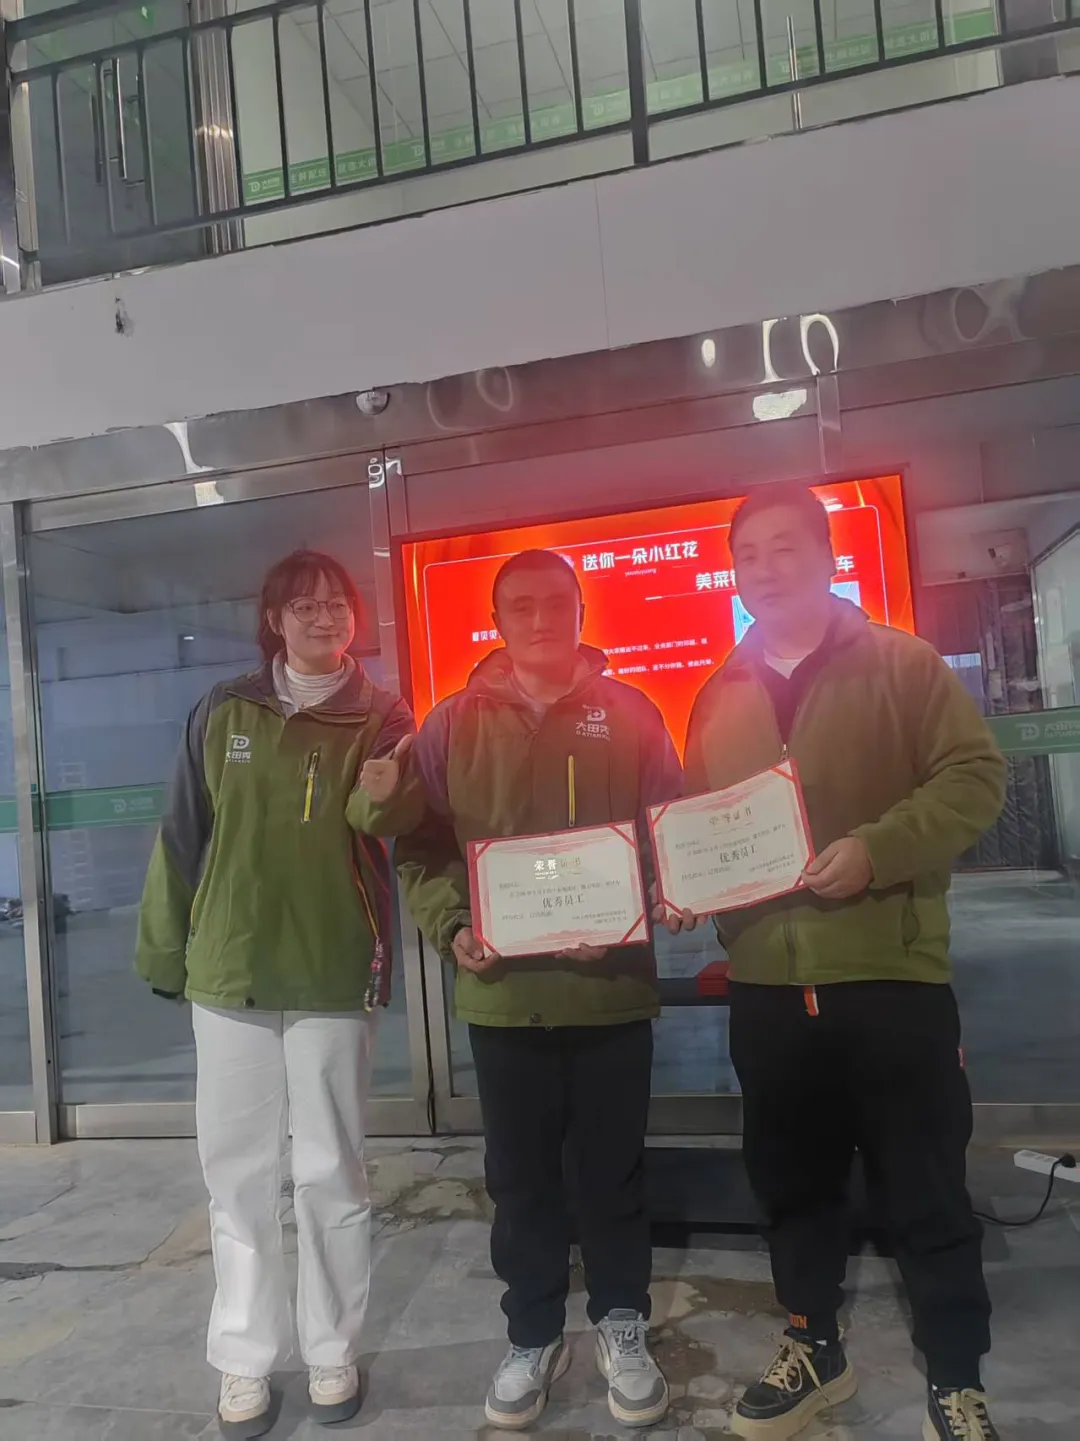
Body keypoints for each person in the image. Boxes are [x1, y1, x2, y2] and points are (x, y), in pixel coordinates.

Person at [674, 484, 1007, 1441]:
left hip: (889, 976)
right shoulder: (718, 693)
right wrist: (687, 883)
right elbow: (700, 823)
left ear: (827, 558)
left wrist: (878, 848)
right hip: (768, 988)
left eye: (785, 547)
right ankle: (813, 1344)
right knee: (792, 1183)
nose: (765, 568)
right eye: (747, 554)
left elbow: (975, 776)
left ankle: (956, 1375)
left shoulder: (903, 665)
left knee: (926, 1184)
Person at [136, 550, 422, 1438]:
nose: (323, 618)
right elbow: (183, 832)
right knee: (237, 1175)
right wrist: (165, 947)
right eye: (304, 606)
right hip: (231, 970)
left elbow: (386, 822)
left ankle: (332, 1348)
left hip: (334, 966)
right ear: (274, 620)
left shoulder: (383, 714)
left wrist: (388, 793)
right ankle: (243, 1359)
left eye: (336, 604)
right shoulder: (225, 709)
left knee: (332, 1169)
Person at [395, 549, 682, 1432]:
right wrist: (452, 925)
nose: (540, 618)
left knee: (613, 1171)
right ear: (496, 621)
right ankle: (532, 1333)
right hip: (503, 994)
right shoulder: (452, 725)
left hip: (608, 990)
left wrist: (641, 901)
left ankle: (622, 1321)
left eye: (555, 602)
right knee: (518, 1179)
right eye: (519, 606)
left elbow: (666, 831)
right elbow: (420, 847)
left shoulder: (631, 713)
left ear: (581, 610)